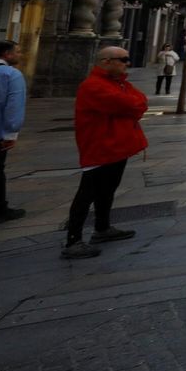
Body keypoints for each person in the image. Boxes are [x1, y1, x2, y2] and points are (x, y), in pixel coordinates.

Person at [64, 47, 150, 259]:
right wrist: (133, 104)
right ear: (106, 61)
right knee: (87, 193)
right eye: (123, 59)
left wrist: (134, 103)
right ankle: (73, 241)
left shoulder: (118, 83)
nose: (127, 63)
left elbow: (141, 100)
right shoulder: (93, 86)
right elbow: (129, 103)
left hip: (118, 146)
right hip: (100, 146)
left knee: (108, 189)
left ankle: (102, 228)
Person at [0, 41, 27, 225]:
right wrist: (11, 133)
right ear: (6, 54)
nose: (20, 55)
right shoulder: (11, 74)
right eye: (17, 51)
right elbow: (14, 106)